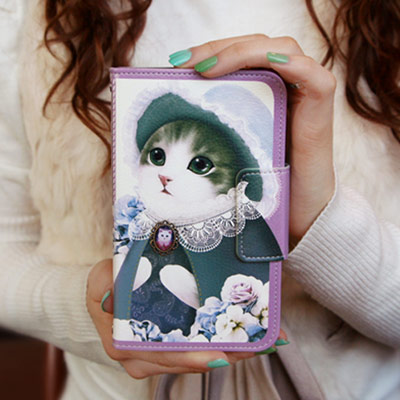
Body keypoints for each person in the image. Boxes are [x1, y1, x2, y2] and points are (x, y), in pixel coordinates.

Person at [1, 0, 399, 399]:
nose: (165, 175)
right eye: (157, 156)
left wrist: (323, 224)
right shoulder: (27, 14)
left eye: (198, 164)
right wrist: (92, 310)